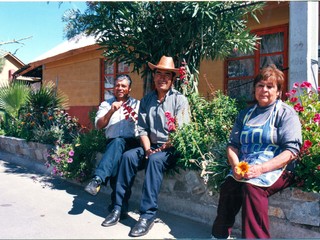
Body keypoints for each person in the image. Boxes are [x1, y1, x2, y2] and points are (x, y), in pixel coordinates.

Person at [101, 56, 190, 237]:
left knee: (155, 161)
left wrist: (159, 150)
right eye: (159, 73)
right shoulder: (147, 100)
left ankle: (147, 216)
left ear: (172, 79)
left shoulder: (180, 100)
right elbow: (142, 129)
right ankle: (119, 207)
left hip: (170, 148)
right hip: (151, 145)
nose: (162, 78)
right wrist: (148, 149)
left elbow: (181, 133)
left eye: (167, 75)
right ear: (154, 76)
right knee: (128, 157)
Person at [211, 64, 302, 239]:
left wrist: (261, 169)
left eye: (270, 86)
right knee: (229, 187)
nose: (264, 90)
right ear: (255, 89)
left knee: (253, 188)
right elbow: (233, 145)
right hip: (247, 166)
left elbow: (291, 151)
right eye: (260, 85)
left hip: (279, 168)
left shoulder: (286, 114)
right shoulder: (245, 114)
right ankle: (219, 235)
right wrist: (236, 165)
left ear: (278, 92)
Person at [84, 74, 140, 216]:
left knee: (120, 143)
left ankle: (98, 179)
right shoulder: (106, 104)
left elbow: (143, 127)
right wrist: (111, 111)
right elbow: (99, 125)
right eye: (117, 85)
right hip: (113, 144)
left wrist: (136, 119)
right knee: (117, 171)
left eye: (123, 86)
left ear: (129, 89)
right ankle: (119, 207)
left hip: (131, 143)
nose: (120, 88)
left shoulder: (137, 104)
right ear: (113, 88)